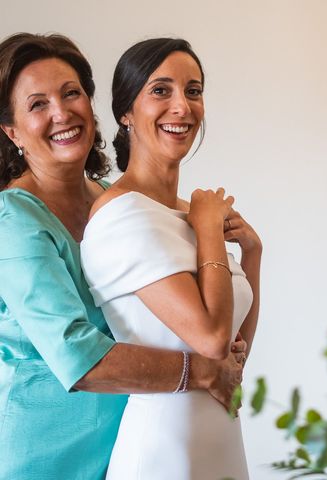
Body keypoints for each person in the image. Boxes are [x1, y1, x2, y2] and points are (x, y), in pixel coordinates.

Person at [0, 33, 246, 480]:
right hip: (49, 455)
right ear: (12, 131)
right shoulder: (13, 223)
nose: (61, 112)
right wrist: (205, 371)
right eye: (38, 104)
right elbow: (78, 355)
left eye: (71, 93)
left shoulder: (112, 202)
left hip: (130, 441)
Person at [80, 38, 262, 479]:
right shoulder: (121, 215)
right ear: (126, 111)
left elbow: (234, 357)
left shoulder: (190, 211)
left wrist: (254, 254)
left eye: (193, 91)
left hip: (219, 441)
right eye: (161, 90)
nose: (182, 106)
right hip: (163, 449)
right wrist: (206, 230)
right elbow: (212, 340)